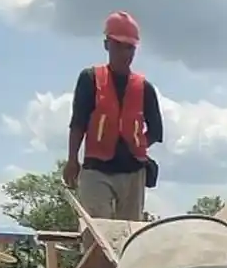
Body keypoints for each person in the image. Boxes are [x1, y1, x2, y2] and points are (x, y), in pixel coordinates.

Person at [64, 12, 164, 222]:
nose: (125, 52)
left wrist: (137, 144)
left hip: (132, 172)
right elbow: (78, 123)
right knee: (97, 232)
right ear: (107, 44)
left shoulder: (144, 88)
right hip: (96, 169)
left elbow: (156, 130)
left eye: (130, 47)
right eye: (119, 45)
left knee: (129, 235)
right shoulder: (90, 79)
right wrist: (72, 160)